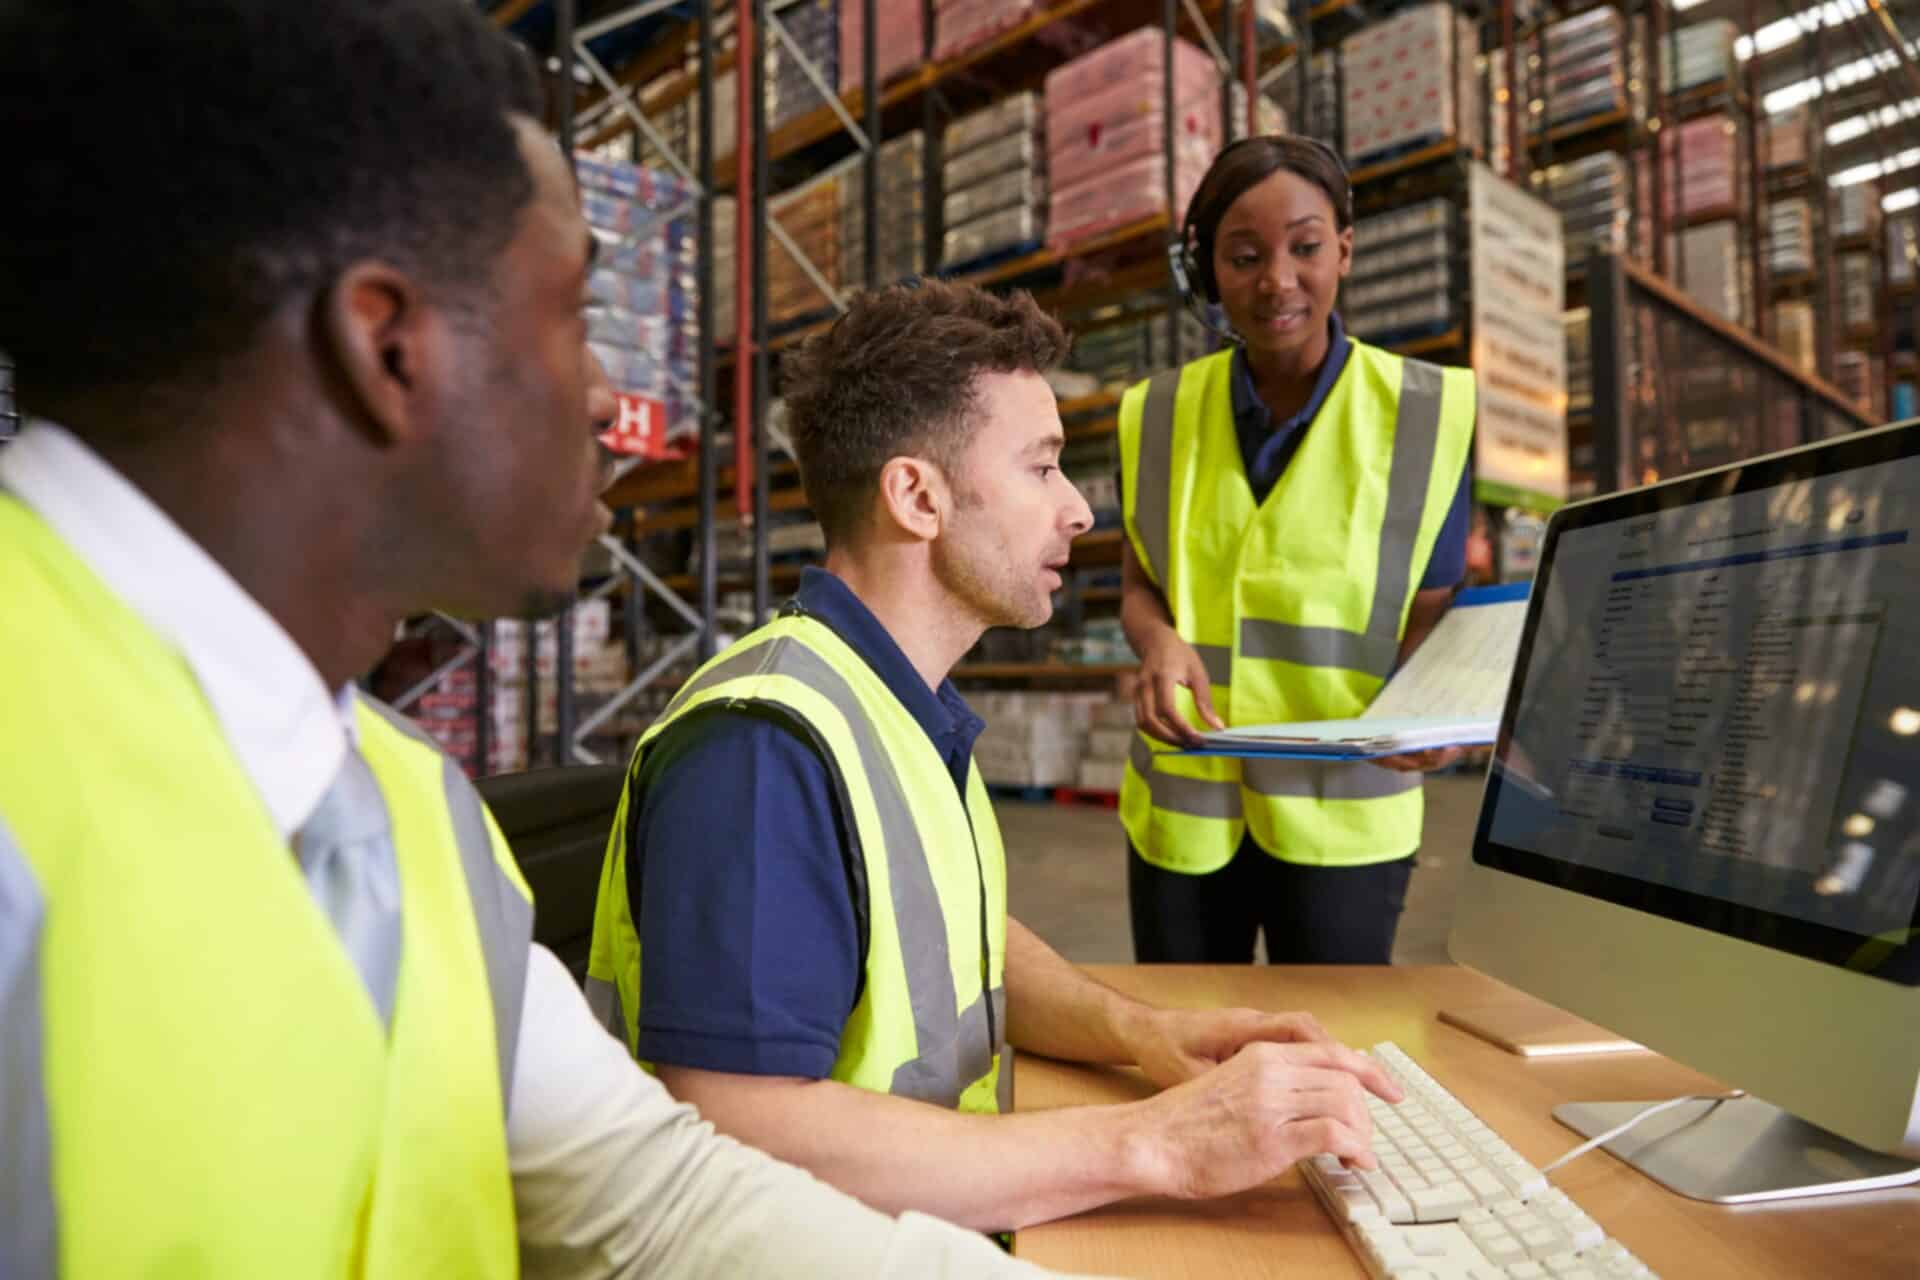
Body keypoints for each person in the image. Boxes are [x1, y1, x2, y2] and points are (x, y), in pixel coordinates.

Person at [0, 3, 1098, 1275]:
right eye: (572, 314)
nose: (603, 398)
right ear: (388, 347)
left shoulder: (412, 807)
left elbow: (650, 1194)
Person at [585, 278, 1405, 1235]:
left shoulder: (893, 699)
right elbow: (744, 1130)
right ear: (918, 497)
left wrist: (1142, 1033)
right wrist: (1158, 1142)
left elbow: (953, 932)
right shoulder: (764, 749)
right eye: (1041, 467)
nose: (1078, 511)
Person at [1118, 134, 1477, 967]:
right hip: (1188, 802)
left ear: (1343, 252)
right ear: (1210, 270)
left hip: (1346, 809)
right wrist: (1158, 641)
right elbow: (1140, 586)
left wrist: (1432, 711)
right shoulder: (1155, 414)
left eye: (1306, 248)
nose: (1277, 280)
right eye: (1244, 257)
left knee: (1329, 1055)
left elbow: (1434, 607)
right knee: (1187, 1045)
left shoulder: (1425, 414)